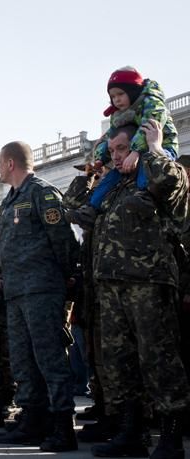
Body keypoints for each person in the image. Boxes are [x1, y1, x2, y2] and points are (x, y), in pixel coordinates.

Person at [88, 122, 189, 458]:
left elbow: (172, 181)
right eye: (112, 151)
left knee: (158, 359)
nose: (117, 157)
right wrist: (101, 163)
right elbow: (79, 206)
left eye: (121, 149)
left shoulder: (154, 176)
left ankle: (171, 436)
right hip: (112, 285)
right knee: (120, 362)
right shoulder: (117, 186)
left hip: (148, 283)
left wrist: (154, 148)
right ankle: (132, 431)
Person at [0, 140, 79, 452]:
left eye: (0, 162)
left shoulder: (42, 192)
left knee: (49, 357)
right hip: (16, 291)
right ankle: (33, 418)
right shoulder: (11, 199)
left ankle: (62, 425)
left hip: (42, 288)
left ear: (10, 162)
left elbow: (63, 239)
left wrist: (66, 276)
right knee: (23, 360)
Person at [86, 67, 179, 212]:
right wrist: (100, 158)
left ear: (132, 91)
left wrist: (135, 152)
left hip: (163, 147)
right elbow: (113, 137)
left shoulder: (152, 103)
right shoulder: (118, 114)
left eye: (120, 94)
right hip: (135, 150)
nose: (117, 100)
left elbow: (150, 125)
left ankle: (145, 196)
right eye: (113, 96)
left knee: (145, 168)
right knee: (111, 178)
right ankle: (92, 209)